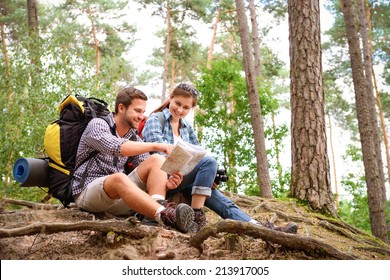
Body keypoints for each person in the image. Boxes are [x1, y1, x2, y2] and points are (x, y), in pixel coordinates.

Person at [142, 83, 297, 233]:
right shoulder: (156, 120)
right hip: (162, 182)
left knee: (223, 201)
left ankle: (261, 228)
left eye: (186, 107)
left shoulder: (186, 127)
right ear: (170, 97)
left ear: (192, 108)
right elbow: (157, 157)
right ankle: (196, 216)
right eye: (177, 103)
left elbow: (199, 154)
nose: (180, 110)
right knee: (209, 162)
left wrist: (210, 176)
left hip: (183, 179)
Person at [71, 86, 195, 233]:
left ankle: (153, 218)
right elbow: (116, 147)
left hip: (119, 198)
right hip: (88, 194)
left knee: (157, 160)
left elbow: (149, 169)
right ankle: (165, 215)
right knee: (118, 178)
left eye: (143, 112)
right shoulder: (98, 124)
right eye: (137, 111)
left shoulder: (133, 136)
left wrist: (166, 184)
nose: (141, 116)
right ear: (121, 108)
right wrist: (157, 145)